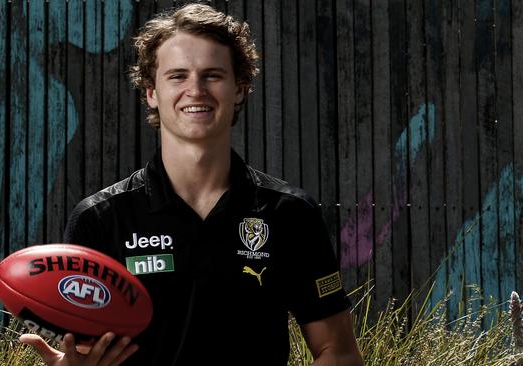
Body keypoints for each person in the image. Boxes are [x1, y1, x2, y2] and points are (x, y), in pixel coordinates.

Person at [19, 3, 364, 366]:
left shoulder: (289, 213)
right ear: (152, 92)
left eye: (212, 75)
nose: (195, 90)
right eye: (178, 76)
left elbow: (338, 351)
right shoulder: (102, 219)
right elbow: (88, 351)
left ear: (239, 88)